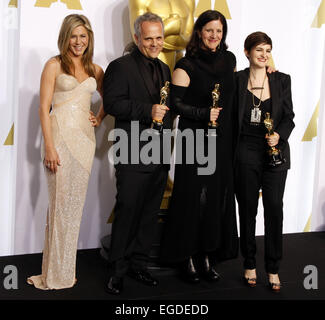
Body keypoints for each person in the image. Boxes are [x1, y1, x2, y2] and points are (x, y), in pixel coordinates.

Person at [27, 14, 106, 290]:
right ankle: (55, 274)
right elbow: (43, 108)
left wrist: (99, 116)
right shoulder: (53, 65)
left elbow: (108, 99)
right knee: (59, 207)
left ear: (89, 38)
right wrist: (48, 146)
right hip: (58, 140)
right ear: (65, 37)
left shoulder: (96, 69)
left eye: (83, 36)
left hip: (85, 142)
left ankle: (64, 270)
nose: (78, 41)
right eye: (73, 36)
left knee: (74, 209)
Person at [159, 10, 238, 283]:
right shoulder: (186, 64)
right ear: (199, 32)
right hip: (194, 138)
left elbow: (235, 94)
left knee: (215, 200)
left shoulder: (230, 60)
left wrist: (268, 72)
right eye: (209, 30)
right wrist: (204, 114)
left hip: (222, 140)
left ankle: (207, 254)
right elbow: (175, 104)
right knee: (193, 198)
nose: (214, 35)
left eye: (218, 31)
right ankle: (187, 256)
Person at [103, 12, 171, 295]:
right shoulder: (120, 66)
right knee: (128, 210)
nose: (154, 43)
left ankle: (139, 265)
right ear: (136, 38)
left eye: (158, 38)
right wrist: (147, 111)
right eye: (148, 38)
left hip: (160, 152)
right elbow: (113, 103)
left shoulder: (165, 69)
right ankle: (117, 271)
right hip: (131, 151)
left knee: (149, 212)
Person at [234, 32, 294, 291]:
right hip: (245, 150)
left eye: (268, 49)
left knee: (274, 210)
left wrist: (279, 135)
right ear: (247, 52)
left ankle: (273, 267)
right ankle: (249, 263)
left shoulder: (281, 80)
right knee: (247, 210)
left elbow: (289, 116)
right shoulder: (236, 80)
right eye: (259, 49)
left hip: (275, 153)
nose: (264, 54)